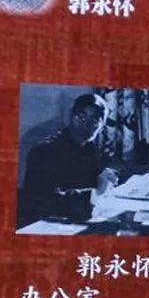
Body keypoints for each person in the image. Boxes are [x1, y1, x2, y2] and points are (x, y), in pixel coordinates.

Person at [18, 94, 119, 226]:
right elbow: (40, 202)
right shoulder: (45, 151)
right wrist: (96, 192)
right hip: (45, 224)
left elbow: (89, 179)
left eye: (95, 120)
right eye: (81, 116)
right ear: (71, 115)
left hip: (77, 219)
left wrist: (106, 178)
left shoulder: (89, 148)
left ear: (102, 127)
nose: (86, 124)